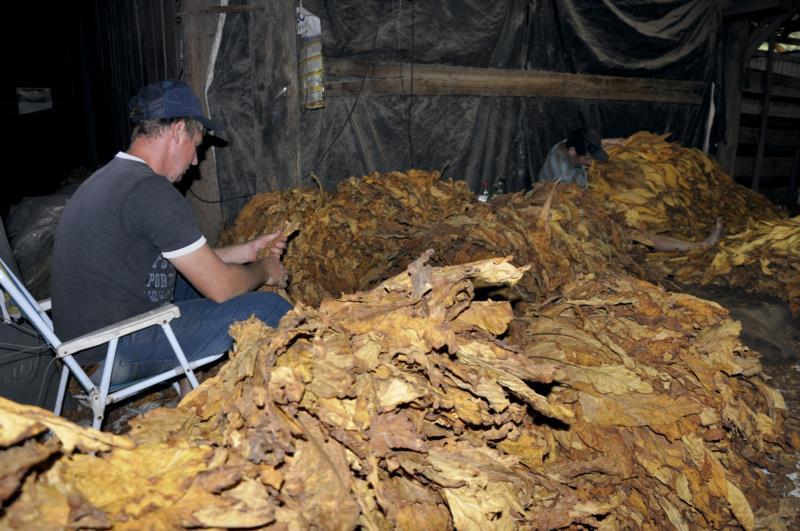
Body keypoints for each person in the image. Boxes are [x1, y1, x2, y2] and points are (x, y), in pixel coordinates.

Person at [51, 79, 292, 391]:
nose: (195, 161)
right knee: (273, 310)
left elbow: (176, 257)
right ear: (179, 131)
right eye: (197, 145)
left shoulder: (110, 177)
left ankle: (191, 387)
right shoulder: (151, 190)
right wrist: (264, 270)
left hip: (82, 350)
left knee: (189, 281)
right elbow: (221, 288)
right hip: (111, 355)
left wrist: (247, 251)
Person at [538, 127, 724, 252]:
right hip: (566, 219)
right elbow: (568, 210)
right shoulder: (562, 177)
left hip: (582, 205)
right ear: (572, 152)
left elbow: (576, 141)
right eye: (587, 158)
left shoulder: (567, 146)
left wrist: (613, 142)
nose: (590, 163)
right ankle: (699, 245)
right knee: (633, 232)